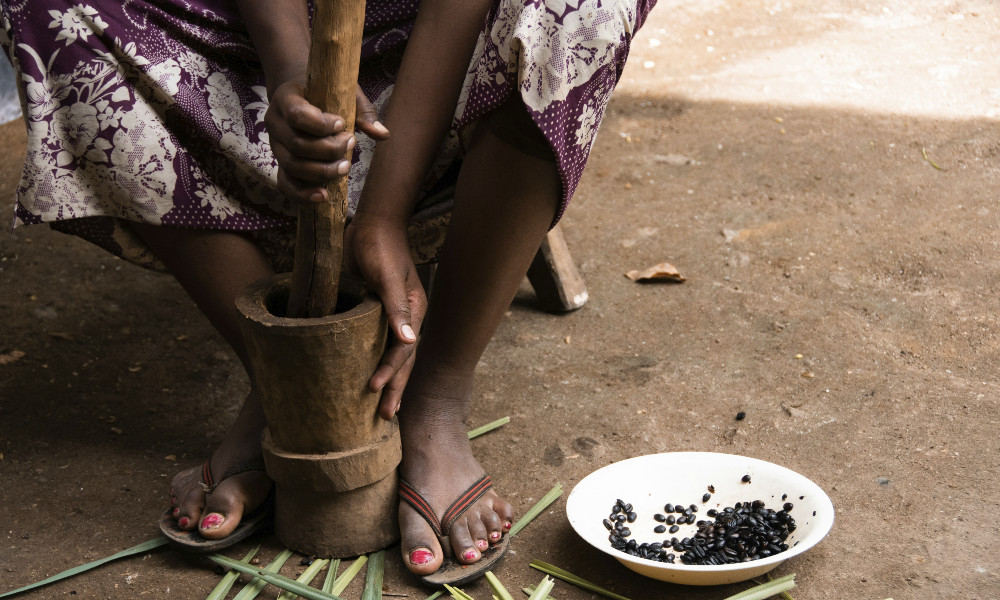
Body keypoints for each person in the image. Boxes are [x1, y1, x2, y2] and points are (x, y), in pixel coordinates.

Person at [1, 0, 656, 583]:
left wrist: (383, 214)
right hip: (236, 30)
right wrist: (292, 70)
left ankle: (433, 401)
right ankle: (291, 379)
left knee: (581, 7)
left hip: (447, 38)